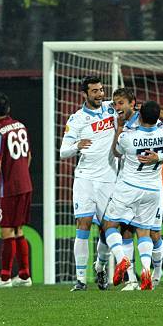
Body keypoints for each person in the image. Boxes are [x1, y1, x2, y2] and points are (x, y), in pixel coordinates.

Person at [104, 101, 163, 291]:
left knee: (109, 225)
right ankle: (146, 271)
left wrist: (123, 127)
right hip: (152, 190)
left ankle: (122, 259)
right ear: (158, 117)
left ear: (140, 116)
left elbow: (116, 152)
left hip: (129, 188)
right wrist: (160, 157)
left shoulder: (128, 137)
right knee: (144, 231)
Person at [59, 75, 118, 292]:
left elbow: (134, 110)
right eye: (95, 91)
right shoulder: (76, 119)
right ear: (84, 94)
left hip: (109, 177)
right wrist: (77, 145)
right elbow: (63, 151)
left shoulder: (113, 109)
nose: (100, 94)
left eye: (101, 90)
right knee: (83, 225)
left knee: (108, 228)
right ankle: (81, 280)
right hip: (85, 178)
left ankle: (100, 267)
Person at [0, 92, 33, 288]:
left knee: (6, 230)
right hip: (26, 184)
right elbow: (28, 155)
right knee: (18, 229)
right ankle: (25, 275)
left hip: (10, 187)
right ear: (8, 109)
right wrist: (21, 175)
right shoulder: (20, 126)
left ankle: (4, 278)